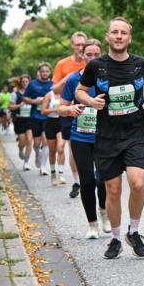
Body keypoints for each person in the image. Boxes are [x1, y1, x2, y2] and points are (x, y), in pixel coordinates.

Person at [76, 17, 144, 259]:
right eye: (114, 32)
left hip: (135, 134)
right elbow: (80, 91)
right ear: (107, 36)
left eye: (123, 32)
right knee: (113, 191)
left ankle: (134, 232)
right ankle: (115, 239)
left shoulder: (141, 64)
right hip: (107, 137)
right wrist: (91, 101)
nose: (119, 36)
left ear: (129, 38)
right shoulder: (96, 66)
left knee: (138, 183)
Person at [58, 39, 110, 238]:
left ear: (102, 55)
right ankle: (92, 224)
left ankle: (104, 211)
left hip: (104, 136)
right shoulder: (73, 80)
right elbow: (60, 108)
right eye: (89, 54)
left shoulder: (109, 78)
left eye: (97, 55)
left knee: (103, 179)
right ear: (82, 56)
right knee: (87, 181)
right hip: (80, 136)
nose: (93, 58)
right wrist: (69, 109)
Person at [54, 32, 88, 197]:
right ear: (72, 45)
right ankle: (77, 181)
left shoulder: (92, 61)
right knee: (73, 148)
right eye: (77, 44)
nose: (80, 47)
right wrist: (65, 79)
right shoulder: (62, 64)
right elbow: (55, 89)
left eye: (83, 44)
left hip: (91, 111)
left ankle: (90, 177)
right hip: (70, 111)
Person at [22, 64, 54, 175]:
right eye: (42, 71)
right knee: (36, 143)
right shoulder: (33, 84)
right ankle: (37, 154)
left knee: (45, 140)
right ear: (39, 72)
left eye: (47, 71)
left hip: (48, 116)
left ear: (50, 72)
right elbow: (24, 98)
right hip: (35, 116)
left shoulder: (53, 84)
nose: (45, 73)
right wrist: (34, 101)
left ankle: (43, 167)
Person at [41, 82, 67, 185]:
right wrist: (56, 109)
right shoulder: (49, 95)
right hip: (50, 123)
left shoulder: (66, 94)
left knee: (60, 148)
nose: (62, 86)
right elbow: (43, 111)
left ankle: (61, 174)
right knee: (52, 151)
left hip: (62, 122)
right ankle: (52, 173)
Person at [9, 75, 34, 170]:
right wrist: (19, 105)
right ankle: (20, 149)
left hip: (30, 119)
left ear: (29, 82)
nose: (25, 83)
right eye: (23, 82)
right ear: (20, 83)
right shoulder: (15, 94)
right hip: (19, 120)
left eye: (26, 81)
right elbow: (10, 107)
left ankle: (26, 163)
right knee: (22, 142)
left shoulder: (33, 93)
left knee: (29, 140)